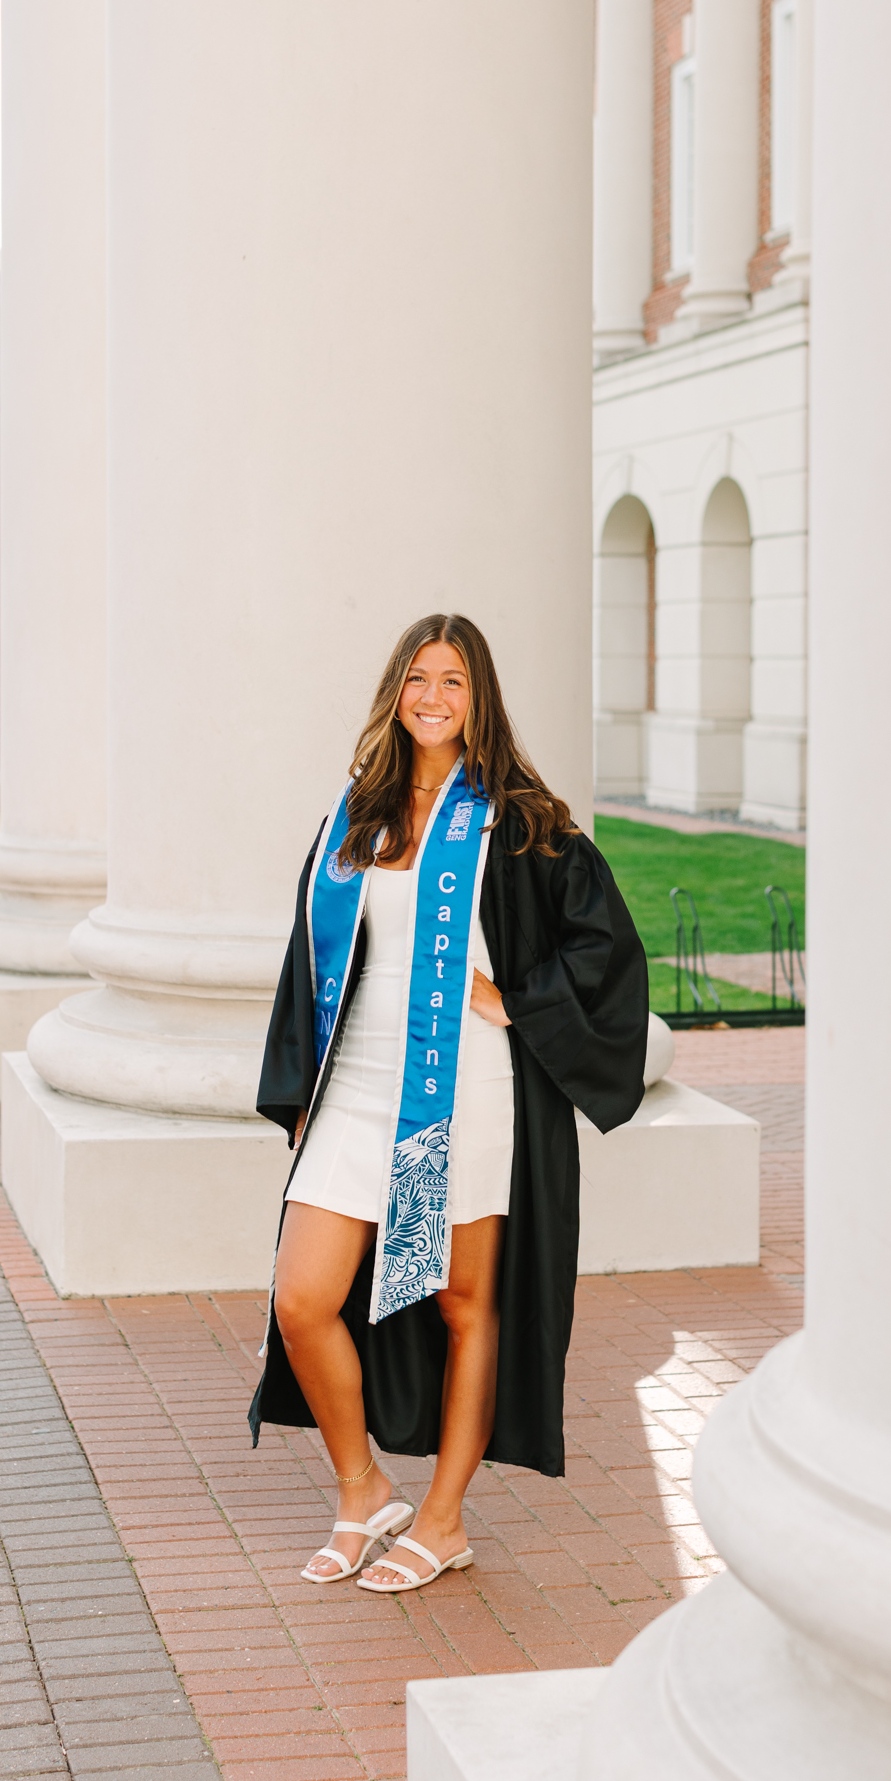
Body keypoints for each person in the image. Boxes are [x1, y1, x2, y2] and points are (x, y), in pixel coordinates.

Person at [249, 614, 649, 1594]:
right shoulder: (358, 810)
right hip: (358, 1086)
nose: (434, 697)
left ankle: (445, 1518)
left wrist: (518, 1001)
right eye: (419, 678)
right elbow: (312, 957)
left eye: (455, 681)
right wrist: (302, 1086)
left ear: (481, 700)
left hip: (456, 1091)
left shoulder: (514, 820)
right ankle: (362, 1489)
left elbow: (606, 948)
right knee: (304, 1298)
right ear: (395, 690)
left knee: (467, 1304)